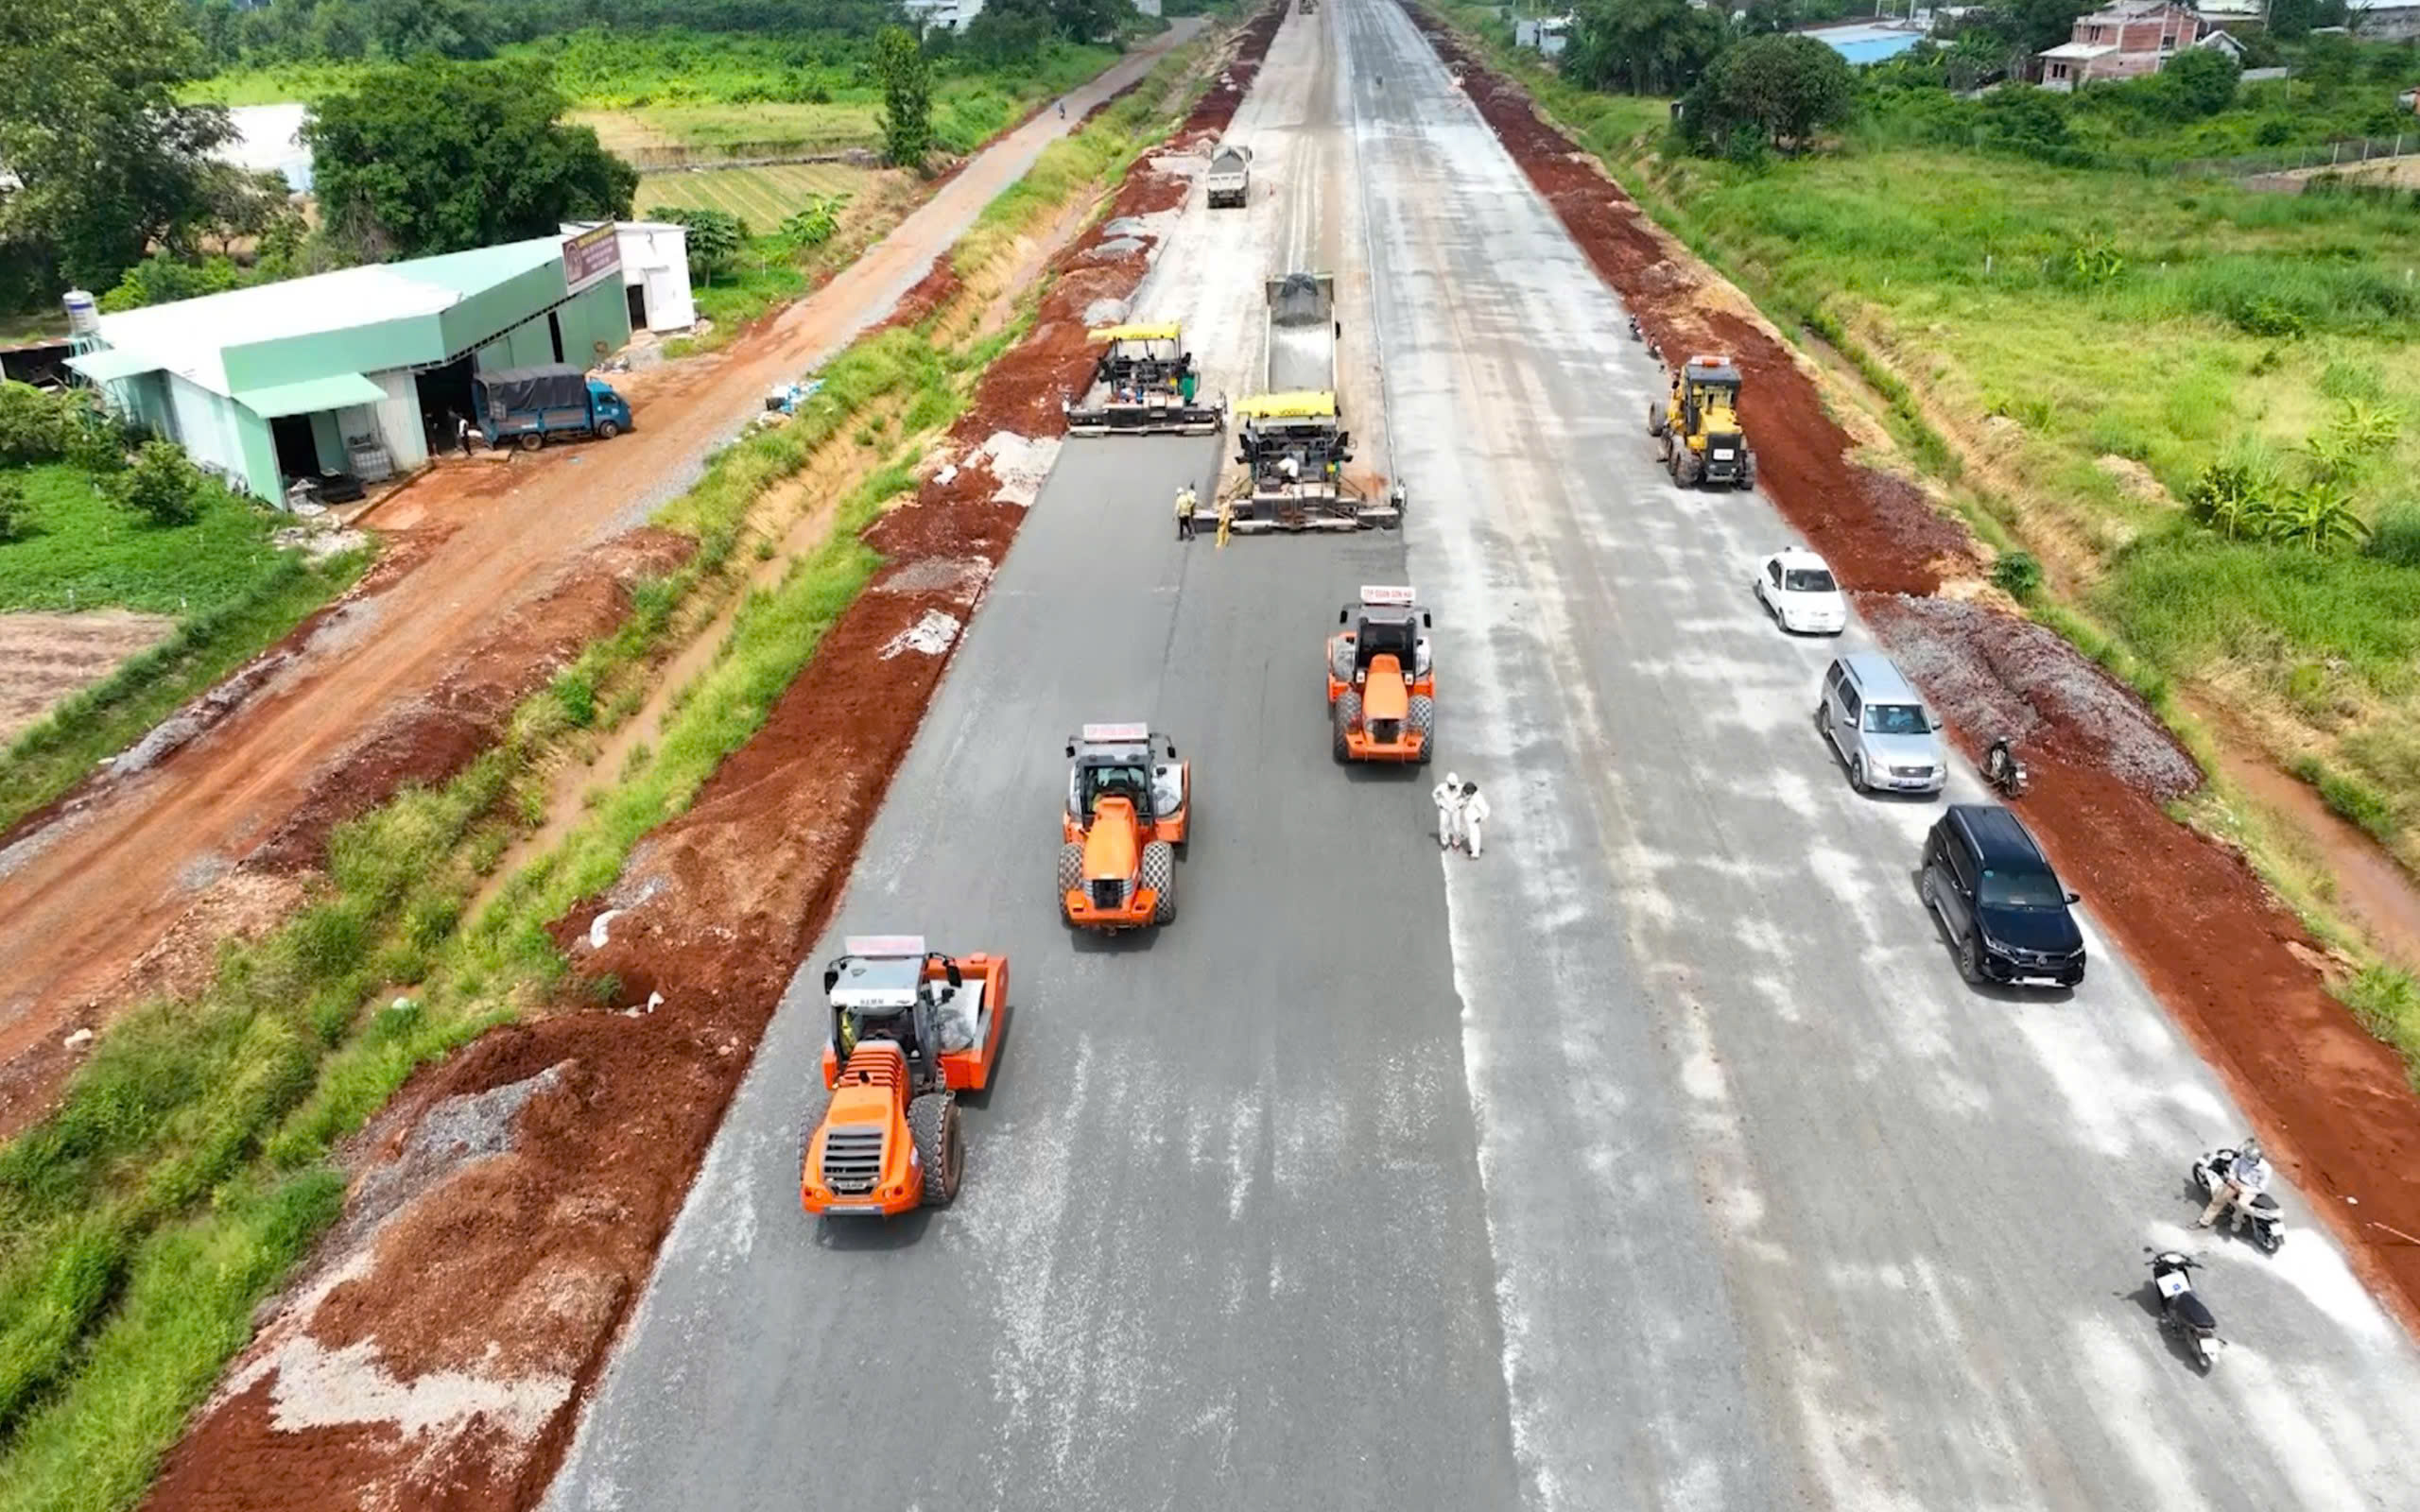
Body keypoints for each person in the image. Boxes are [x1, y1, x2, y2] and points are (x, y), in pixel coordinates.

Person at [2198, 1138, 2271, 1233]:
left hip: (2250, 1189)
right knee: (2219, 1199)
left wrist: (2245, 1189)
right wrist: (2232, 1180)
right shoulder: (2242, 1158)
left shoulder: (2265, 1169)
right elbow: (2233, 1168)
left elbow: (2261, 1188)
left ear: (2258, 1158)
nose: (2247, 1160)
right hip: (2236, 1181)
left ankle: (2237, 1220)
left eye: (2250, 1159)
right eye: (2247, 1158)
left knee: (2242, 1205)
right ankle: (2204, 1221)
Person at [1432, 771, 1464, 851]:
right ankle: (1444, 842)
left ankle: (1456, 842)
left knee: (1456, 827)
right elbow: (1434, 794)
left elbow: (1465, 796)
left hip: (1455, 809)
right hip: (1445, 809)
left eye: (1454, 786)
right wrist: (1439, 804)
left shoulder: (1461, 788)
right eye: (1451, 786)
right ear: (1447, 783)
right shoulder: (1441, 788)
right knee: (1443, 826)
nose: (1453, 788)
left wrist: (1462, 804)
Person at [1461, 781, 1491, 858]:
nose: (1466, 794)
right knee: (1471, 836)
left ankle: (1475, 854)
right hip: (1470, 820)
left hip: (1474, 820)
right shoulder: (1473, 796)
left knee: (1475, 836)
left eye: (1467, 793)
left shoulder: (1478, 798)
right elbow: (1467, 800)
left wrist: (1481, 818)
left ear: (1470, 792)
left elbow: (1486, 810)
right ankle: (1473, 850)